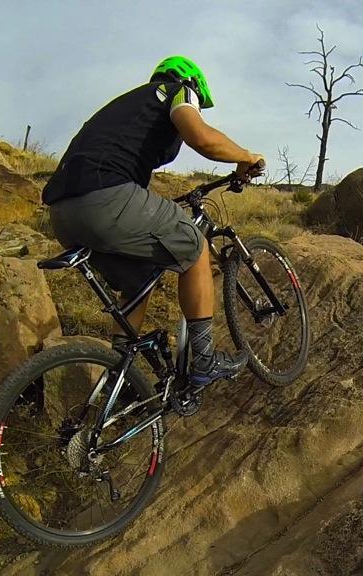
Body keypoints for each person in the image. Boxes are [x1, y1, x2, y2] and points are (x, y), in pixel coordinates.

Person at [42, 56, 265, 388]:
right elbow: (201, 137)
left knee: (140, 277)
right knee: (195, 246)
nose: (197, 107)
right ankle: (204, 361)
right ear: (192, 84)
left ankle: (121, 376)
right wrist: (246, 156)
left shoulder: (127, 110)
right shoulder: (176, 91)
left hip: (62, 213)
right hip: (104, 197)